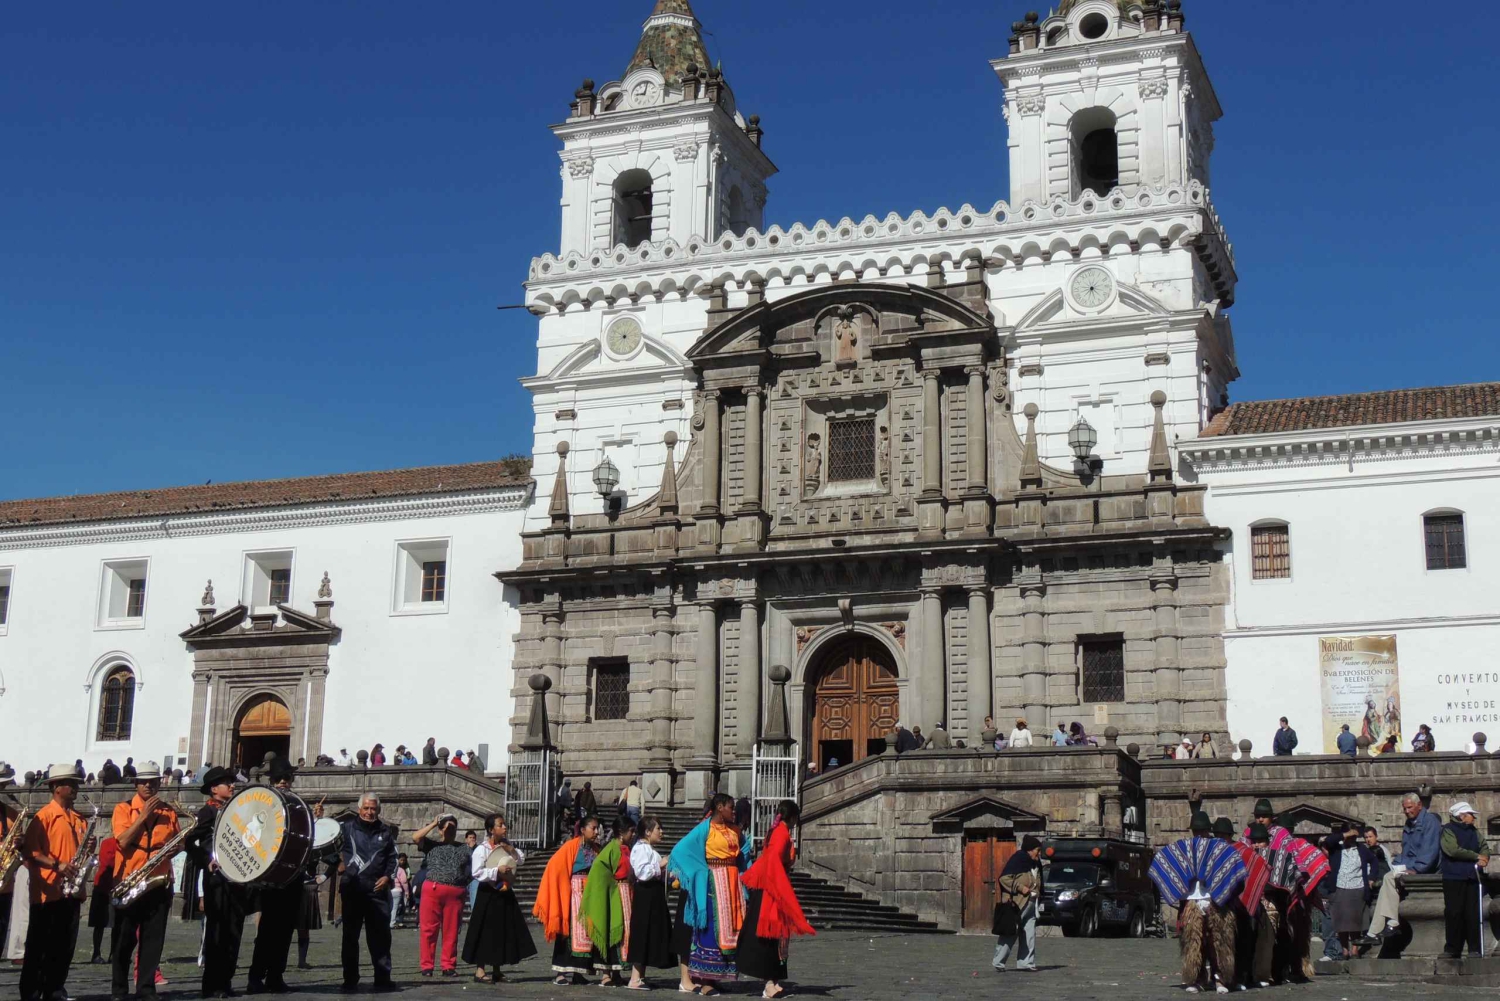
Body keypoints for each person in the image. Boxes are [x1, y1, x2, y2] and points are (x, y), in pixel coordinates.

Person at [246, 759, 325, 991]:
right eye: (278, 779)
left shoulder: (298, 806)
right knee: (267, 930)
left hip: (292, 876)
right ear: (271, 782)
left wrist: (315, 818)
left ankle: (275, 976)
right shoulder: (262, 804)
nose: (283, 782)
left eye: (286, 779)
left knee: (285, 930)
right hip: (270, 877)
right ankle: (255, 976)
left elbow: (307, 839)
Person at [1150, 811, 1248, 994]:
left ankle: (1221, 979)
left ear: (1207, 831)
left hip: (1215, 900)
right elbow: (1168, 861)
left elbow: (1233, 866)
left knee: (1219, 941)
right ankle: (1196, 979)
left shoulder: (1218, 849)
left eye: (1201, 830)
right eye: (1196, 831)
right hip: (1192, 900)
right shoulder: (1186, 849)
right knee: (1194, 942)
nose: (1198, 834)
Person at [111, 760, 179, 1001]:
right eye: (144, 782)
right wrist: (144, 816)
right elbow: (122, 841)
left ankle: (146, 988)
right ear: (136, 784)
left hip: (158, 881)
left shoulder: (169, 811)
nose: (148, 785)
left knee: (153, 940)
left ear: (159, 783)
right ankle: (119, 989)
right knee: (123, 939)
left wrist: (176, 849)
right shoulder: (123, 808)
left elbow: (177, 841)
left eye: (153, 781)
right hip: (130, 880)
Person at [668, 793, 746, 994]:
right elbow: (681, 850)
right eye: (730, 807)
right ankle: (705, 981)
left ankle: (717, 976)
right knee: (711, 929)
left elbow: (743, 854)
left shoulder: (735, 830)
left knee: (728, 931)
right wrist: (697, 872)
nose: (733, 810)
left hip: (731, 886)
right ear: (720, 807)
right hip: (714, 885)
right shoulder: (705, 829)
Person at [20, 763, 86, 1001]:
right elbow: (30, 853)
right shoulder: (44, 816)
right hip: (47, 892)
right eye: (72, 783)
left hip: (72, 892)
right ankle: (31, 992)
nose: (77, 786)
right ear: (57, 787)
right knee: (39, 948)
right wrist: (56, 864)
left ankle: (55, 989)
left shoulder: (79, 819)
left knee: (64, 947)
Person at [182, 766, 247, 998]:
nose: (232, 786)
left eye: (232, 782)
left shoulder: (237, 810)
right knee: (217, 932)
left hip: (238, 879)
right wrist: (206, 860)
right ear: (213, 789)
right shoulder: (207, 812)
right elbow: (190, 842)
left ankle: (226, 981)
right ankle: (212, 984)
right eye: (226, 783)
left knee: (234, 931)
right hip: (217, 880)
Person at [739, 801, 815, 998]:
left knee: (776, 937)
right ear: (792, 817)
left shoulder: (777, 831)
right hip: (772, 890)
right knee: (772, 936)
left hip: (771, 887)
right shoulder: (781, 833)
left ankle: (773, 980)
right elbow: (772, 861)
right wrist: (781, 888)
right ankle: (769, 983)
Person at [1359, 792, 1442, 945]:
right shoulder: (1409, 823)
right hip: (1410, 866)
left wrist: (1417, 870)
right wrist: (1397, 865)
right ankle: (1376, 932)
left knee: (1389, 878)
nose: (1406, 811)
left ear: (1419, 806)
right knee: (1389, 878)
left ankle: (1388, 926)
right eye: (1404, 808)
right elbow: (1406, 850)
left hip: (1423, 870)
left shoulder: (1430, 822)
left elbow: (1430, 851)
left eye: (1409, 807)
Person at [463, 813, 534, 983]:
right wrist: (497, 871)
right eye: (500, 825)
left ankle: (497, 969)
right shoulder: (482, 849)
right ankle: (480, 970)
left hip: (504, 891)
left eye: (504, 824)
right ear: (491, 829)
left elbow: (521, 860)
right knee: (484, 930)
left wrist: (512, 851)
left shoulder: (507, 846)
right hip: (487, 893)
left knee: (501, 930)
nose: (504, 827)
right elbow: (477, 872)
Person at [339, 792, 398, 991]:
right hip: (353, 890)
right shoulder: (346, 829)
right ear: (359, 809)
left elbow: (392, 858)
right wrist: (338, 864)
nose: (369, 812)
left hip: (376, 890)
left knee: (381, 937)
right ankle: (350, 979)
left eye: (373, 808)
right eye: (366, 808)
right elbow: (327, 848)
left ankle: (382, 978)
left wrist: (388, 876)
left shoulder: (386, 832)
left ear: (378, 810)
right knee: (350, 938)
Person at [534, 815, 602, 986]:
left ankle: (580, 972)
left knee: (586, 934)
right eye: (593, 828)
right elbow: (555, 866)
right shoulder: (571, 846)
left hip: (589, 895)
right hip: (573, 894)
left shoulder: (596, 849)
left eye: (597, 828)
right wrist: (564, 889)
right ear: (583, 829)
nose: (596, 832)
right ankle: (560, 972)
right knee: (567, 933)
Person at [411, 812, 470, 977]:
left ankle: (448, 965)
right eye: (447, 828)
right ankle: (427, 966)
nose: (450, 831)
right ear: (440, 830)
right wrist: (433, 823)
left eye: (453, 828)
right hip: (432, 890)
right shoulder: (431, 845)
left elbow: (473, 869)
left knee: (451, 931)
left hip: (455, 893)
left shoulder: (464, 848)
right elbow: (415, 837)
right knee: (429, 929)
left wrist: (463, 883)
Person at [582, 817, 637, 985]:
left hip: (626, 894)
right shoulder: (611, 849)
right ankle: (606, 974)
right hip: (614, 896)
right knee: (610, 930)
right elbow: (599, 869)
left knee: (623, 935)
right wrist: (610, 888)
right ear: (621, 832)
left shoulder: (625, 848)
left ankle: (617, 972)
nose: (633, 834)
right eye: (631, 831)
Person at [626, 818, 676, 990]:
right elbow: (642, 872)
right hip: (645, 895)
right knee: (642, 932)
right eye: (658, 829)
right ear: (647, 832)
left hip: (652, 894)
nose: (661, 832)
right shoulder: (640, 849)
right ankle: (634, 978)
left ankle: (641, 976)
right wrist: (661, 863)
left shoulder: (649, 849)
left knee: (649, 933)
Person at [1439, 801, 1490, 958]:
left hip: (1472, 876)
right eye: (1470, 815)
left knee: (1472, 913)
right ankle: (1452, 948)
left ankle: (1474, 948)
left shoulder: (1474, 831)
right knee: (1454, 912)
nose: (1473, 818)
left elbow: (1484, 846)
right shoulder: (1448, 830)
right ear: (1461, 816)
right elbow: (1452, 850)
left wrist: (1485, 858)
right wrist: (1475, 856)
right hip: (1453, 877)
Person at [1322, 824, 1375, 959]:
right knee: (1341, 921)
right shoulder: (1336, 848)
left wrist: (1372, 878)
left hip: (1357, 887)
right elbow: (1328, 841)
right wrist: (1345, 834)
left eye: (1354, 836)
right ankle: (1345, 949)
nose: (1352, 839)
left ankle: (1355, 949)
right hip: (1339, 887)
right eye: (1350, 836)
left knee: (1356, 921)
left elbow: (1374, 861)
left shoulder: (1361, 849)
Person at [992, 834, 1042, 973]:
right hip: (1017, 903)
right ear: (1030, 849)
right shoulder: (1018, 859)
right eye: (1037, 850)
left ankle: (1026, 963)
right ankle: (999, 962)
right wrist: (1021, 888)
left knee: (1029, 934)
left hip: (1032, 903)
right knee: (1010, 933)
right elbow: (1004, 879)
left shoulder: (1036, 863)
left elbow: (1038, 880)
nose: (1039, 853)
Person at [391, 855, 411, 930]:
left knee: (391, 907)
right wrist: (407, 892)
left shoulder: (391, 869)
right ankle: (392, 923)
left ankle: (390, 921)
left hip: (391, 890)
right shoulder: (401, 870)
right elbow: (404, 882)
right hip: (398, 890)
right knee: (395, 908)